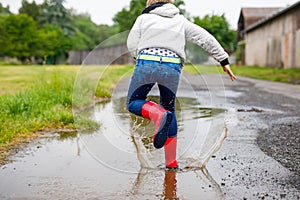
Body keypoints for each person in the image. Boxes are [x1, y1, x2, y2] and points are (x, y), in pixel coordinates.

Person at [126, 0, 236, 170]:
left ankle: (157, 115)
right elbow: (205, 38)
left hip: (147, 62)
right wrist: (223, 59)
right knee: (170, 110)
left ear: (150, 2)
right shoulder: (180, 20)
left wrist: (138, 57)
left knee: (134, 102)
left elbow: (132, 43)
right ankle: (171, 162)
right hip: (172, 66)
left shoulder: (143, 19)